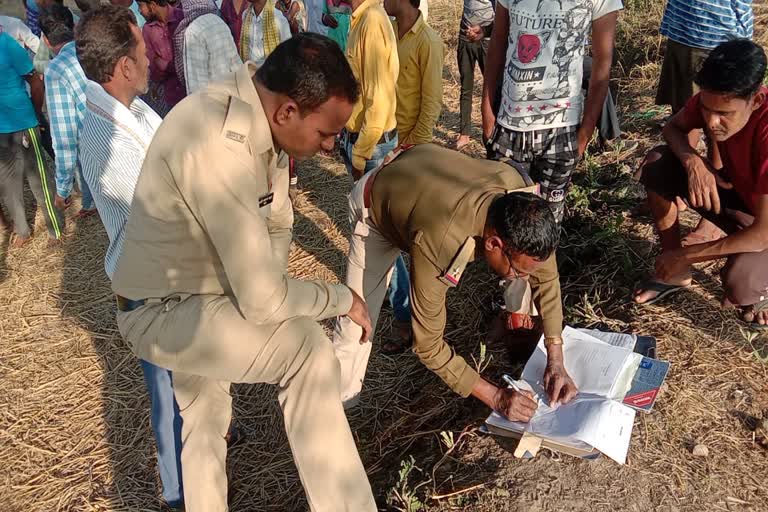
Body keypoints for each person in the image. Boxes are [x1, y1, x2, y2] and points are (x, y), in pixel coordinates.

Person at [111, 34, 377, 511]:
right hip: (163, 309)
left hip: (199, 295)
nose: (333, 144)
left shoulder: (258, 116)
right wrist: (339, 298)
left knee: (206, 421)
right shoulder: (220, 141)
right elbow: (263, 299)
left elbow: (277, 223)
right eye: (326, 133)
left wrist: (267, 304)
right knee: (306, 349)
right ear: (287, 112)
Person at [332, 143, 578, 416]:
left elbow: (547, 278)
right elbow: (427, 345)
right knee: (356, 324)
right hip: (376, 205)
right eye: (519, 272)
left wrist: (555, 356)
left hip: (421, 182)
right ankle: (336, 411)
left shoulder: (523, 202)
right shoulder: (441, 241)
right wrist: (496, 397)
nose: (524, 278)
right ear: (493, 244)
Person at [74, 6, 184, 509]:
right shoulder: (109, 138)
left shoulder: (133, 112)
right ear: (123, 67)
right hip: (147, 281)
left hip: (163, 273)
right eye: (142, 53)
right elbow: (160, 210)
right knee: (163, 385)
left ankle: (207, 440)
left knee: (181, 371)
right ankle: (176, 488)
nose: (150, 59)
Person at [634, 39, 768, 330]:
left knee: (740, 284)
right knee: (659, 163)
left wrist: (684, 253)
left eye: (725, 114)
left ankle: (760, 289)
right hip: (744, 201)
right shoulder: (713, 99)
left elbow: (762, 234)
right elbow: (672, 128)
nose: (712, 121)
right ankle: (676, 273)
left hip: (765, 224)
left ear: (756, 100)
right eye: (706, 109)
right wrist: (693, 162)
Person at [481, 0, 622, 222]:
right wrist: (486, 111)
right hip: (508, 127)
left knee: (548, 224)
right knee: (506, 222)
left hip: (561, 131)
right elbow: (498, 42)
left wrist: (584, 135)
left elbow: (602, 66)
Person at [655, 0, 754, 245]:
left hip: (718, 34)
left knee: (718, 128)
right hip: (683, 28)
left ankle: (715, 209)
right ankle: (683, 188)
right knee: (684, 113)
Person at [0, 31, 62, 247]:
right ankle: (23, 230)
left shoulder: (7, 44)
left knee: (39, 180)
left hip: (23, 123)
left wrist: (34, 113)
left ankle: (55, 229)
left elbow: (35, 80)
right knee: (8, 182)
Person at [40, 3, 97, 218]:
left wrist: (62, 190)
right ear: (74, 27)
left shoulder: (56, 70)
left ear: (45, 40)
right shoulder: (93, 48)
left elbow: (65, 138)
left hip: (98, 150)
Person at [385, 0, 443, 145]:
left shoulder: (429, 42)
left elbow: (432, 101)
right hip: (381, 138)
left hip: (405, 141)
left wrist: (411, 144)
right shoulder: (386, 32)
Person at [173, 0, 241, 95]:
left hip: (215, 102)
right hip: (235, 94)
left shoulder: (193, 32)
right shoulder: (218, 20)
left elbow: (196, 87)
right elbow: (237, 65)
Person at [454, 0, 493, 151]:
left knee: (491, 88)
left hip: (487, 37)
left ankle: (491, 131)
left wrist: (485, 30)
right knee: (466, 87)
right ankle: (464, 134)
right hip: (465, 34)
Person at [137, 0, 184, 116]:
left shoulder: (183, 18)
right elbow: (154, 70)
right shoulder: (148, 30)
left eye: (140, 5)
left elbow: (188, 62)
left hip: (192, 91)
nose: (139, 11)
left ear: (152, 5)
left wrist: (165, 64)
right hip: (171, 97)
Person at [237, 0, 292, 66]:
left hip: (270, 72)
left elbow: (288, 51)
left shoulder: (277, 18)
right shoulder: (245, 15)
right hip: (249, 71)